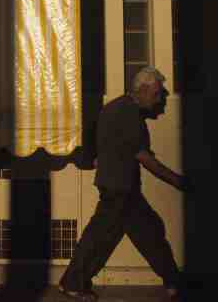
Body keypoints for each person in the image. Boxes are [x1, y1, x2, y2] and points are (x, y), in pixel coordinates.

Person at [58, 66, 189, 302]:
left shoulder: (114, 108)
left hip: (116, 187)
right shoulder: (130, 115)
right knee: (107, 238)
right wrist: (179, 181)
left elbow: (96, 138)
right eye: (157, 94)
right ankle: (72, 284)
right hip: (121, 190)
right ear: (143, 90)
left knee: (147, 234)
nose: (159, 101)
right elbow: (145, 159)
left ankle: (174, 283)